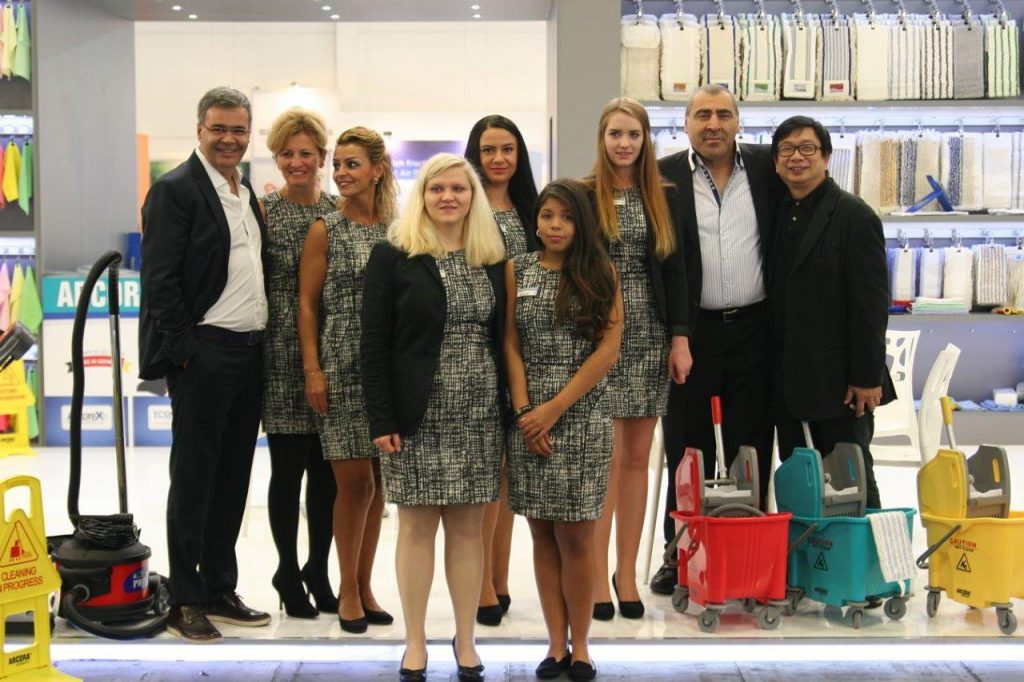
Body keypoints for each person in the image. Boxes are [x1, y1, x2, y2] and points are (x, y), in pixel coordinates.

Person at [361, 153, 506, 682]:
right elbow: (373, 345)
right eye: (437, 188)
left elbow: (505, 338)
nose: (448, 197)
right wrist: (381, 418)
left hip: (479, 412)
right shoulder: (393, 254)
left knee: (468, 530)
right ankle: (415, 641)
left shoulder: (491, 255)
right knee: (417, 527)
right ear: (421, 195)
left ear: (473, 197)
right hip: (414, 414)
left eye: (458, 189)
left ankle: (465, 639)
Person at [139, 86, 271, 643]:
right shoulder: (175, 190)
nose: (229, 139)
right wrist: (186, 352)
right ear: (199, 129)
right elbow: (159, 281)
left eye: (238, 130)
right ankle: (186, 599)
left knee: (233, 478)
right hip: (205, 354)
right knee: (194, 479)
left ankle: (219, 586)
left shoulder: (245, 192)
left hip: (250, 353)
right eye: (219, 128)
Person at [649, 84, 784, 596]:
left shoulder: (768, 169)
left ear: (738, 122)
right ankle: (680, 555)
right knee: (688, 449)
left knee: (753, 446)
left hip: (756, 329)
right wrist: (674, 334)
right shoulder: (662, 175)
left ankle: (752, 552)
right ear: (685, 123)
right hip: (691, 333)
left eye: (724, 114)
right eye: (702, 114)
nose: (713, 124)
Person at [505, 179, 622, 682]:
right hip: (528, 420)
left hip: (581, 417)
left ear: (582, 224)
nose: (555, 226)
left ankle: (582, 648)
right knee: (542, 534)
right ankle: (556, 644)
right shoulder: (518, 268)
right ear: (536, 221)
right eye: (548, 216)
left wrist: (553, 410)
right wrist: (525, 411)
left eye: (567, 217)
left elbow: (608, 350)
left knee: (576, 537)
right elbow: (509, 344)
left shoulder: (601, 271)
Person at [585, 97, 692, 621]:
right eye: (616, 134)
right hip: (598, 338)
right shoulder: (584, 195)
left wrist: (679, 338)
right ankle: (594, 574)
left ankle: (625, 572)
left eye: (634, 134)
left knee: (637, 457)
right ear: (602, 139)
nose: (624, 143)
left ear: (646, 139)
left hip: (649, 334)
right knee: (604, 460)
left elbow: (676, 271)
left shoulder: (664, 195)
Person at [298, 126, 397, 633]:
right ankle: (348, 590)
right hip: (338, 367)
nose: (340, 173)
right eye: (337, 165)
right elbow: (307, 304)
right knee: (354, 483)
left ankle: (365, 583)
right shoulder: (326, 228)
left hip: (386, 371)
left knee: (377, 484)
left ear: (377, 170)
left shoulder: (398, 229)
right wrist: (313, 369)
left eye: (351, 164)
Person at [770, 115, 895, 509]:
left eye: (807, 148)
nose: (796, 157)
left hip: (843, 386)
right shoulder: (777, 213)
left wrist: (867, 378)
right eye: (787, 149)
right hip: (791, 383)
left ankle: (866, 549)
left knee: (852, 480)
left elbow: (871, 306)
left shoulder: (854, 216)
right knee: (801, 480)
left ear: (826, 157)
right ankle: (809, 549)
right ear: (775, 162)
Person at [259, 107, 338, 620]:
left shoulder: (336, 212)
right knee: (287, 472)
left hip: (330, 352)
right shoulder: (262, 212)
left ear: (322, 157)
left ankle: (318, 568)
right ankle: (287, 570)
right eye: (286, 154)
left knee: (327, 475)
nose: (296, 162)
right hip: (278, 356)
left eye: (305, 153)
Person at [464, 114, 539, 625]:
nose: (498, 159)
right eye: (488, 149)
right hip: (476, 349)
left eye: (507, 149)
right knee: (486, 471)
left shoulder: (533, 211)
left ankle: (500, 576)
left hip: (526, 348)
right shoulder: (464, 207)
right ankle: (480, 582)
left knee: (511, 471)